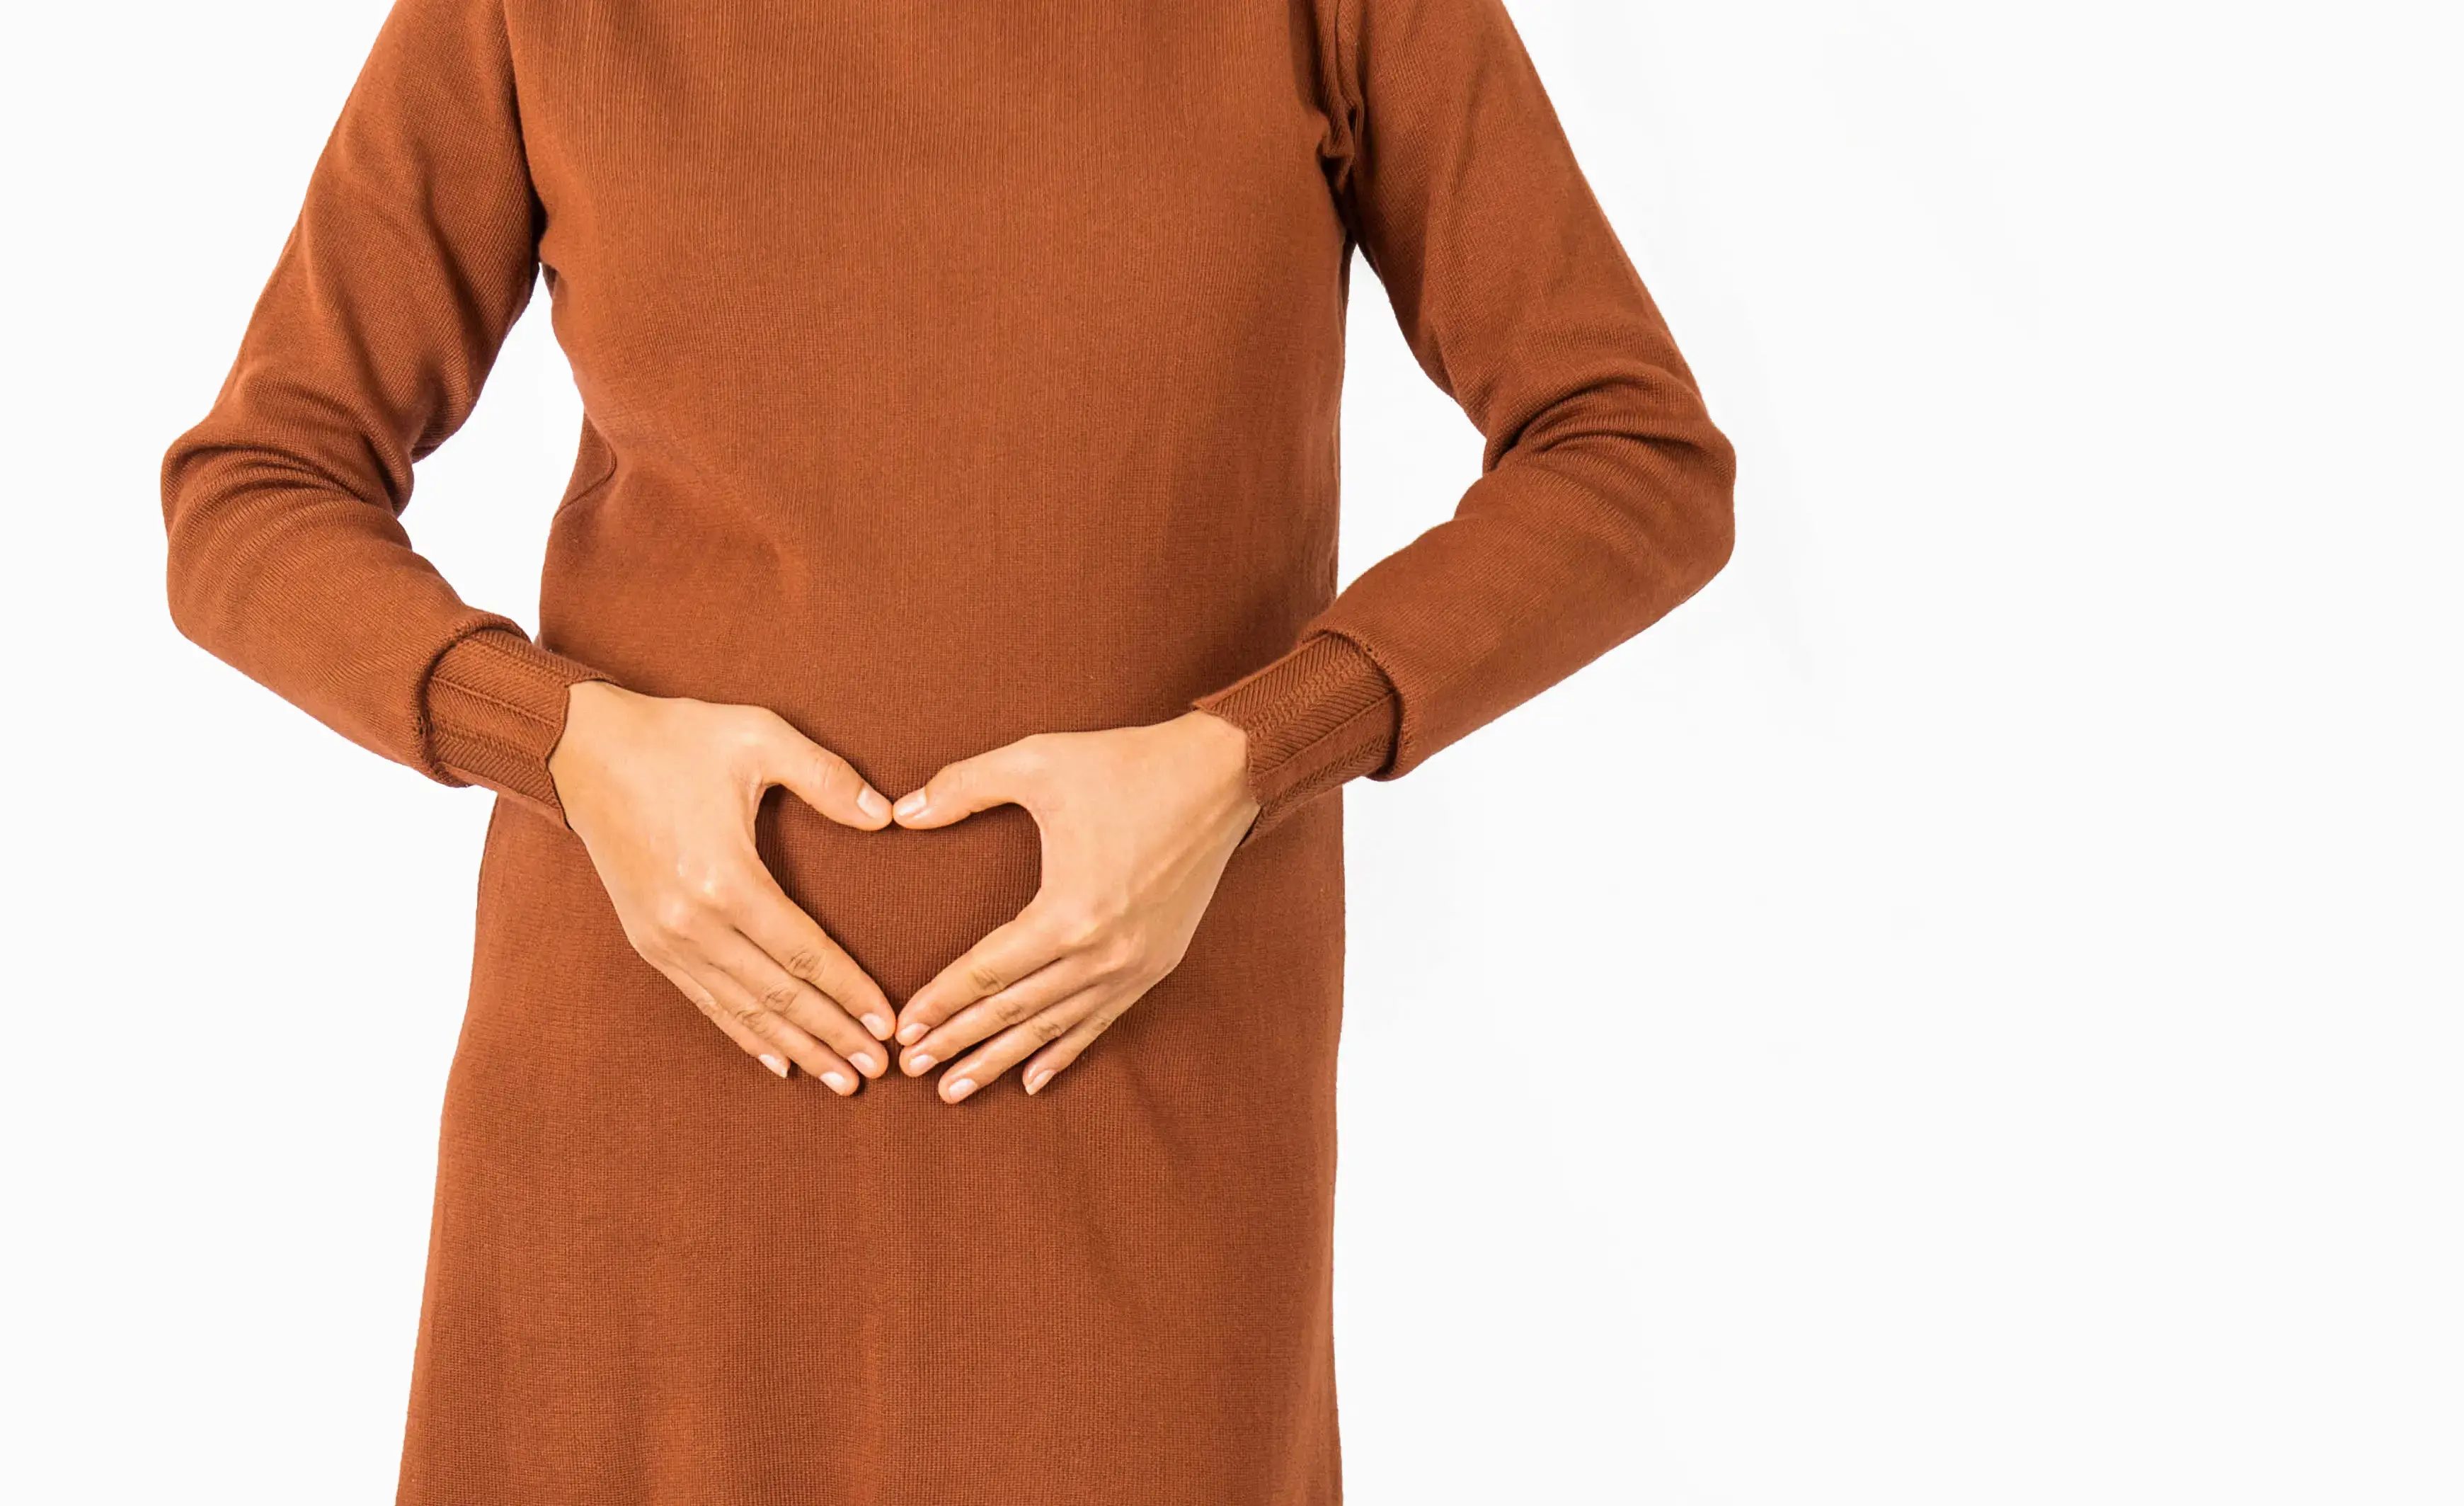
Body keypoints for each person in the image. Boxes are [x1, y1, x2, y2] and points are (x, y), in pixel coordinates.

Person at [161, 0, 1736, 1499]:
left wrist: (1247, 757)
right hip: (647, 1134)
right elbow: (254, 492)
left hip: (1139, 1119)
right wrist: (565, 742)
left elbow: (1632, 453)